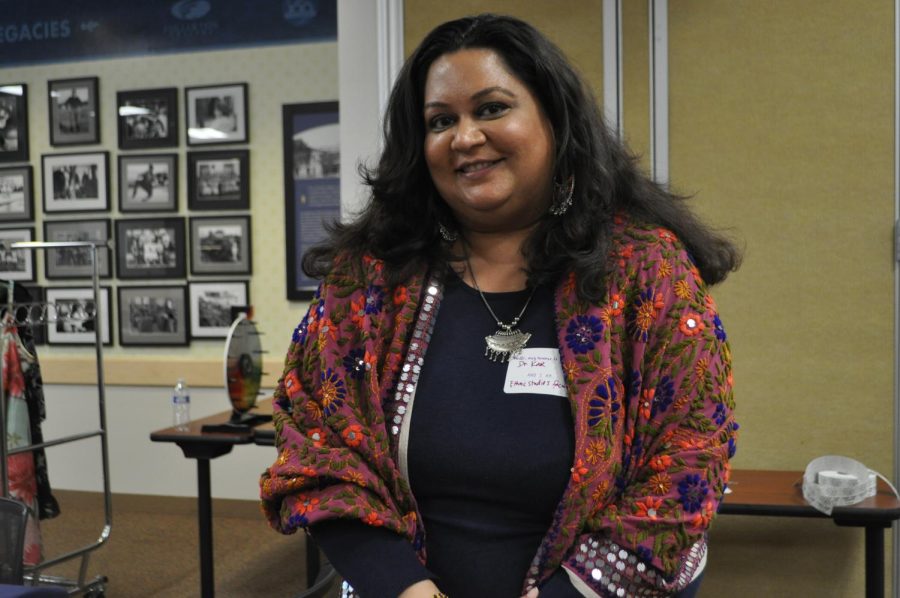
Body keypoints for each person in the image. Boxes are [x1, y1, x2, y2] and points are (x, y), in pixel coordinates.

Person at [260, 13, 741, 598]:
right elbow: (317, 447)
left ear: (554, 120)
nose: (464, 137)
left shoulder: (648, 271)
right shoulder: (368, 279)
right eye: (441, 121)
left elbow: (689, 460)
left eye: (491, 108)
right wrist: (405, 589)